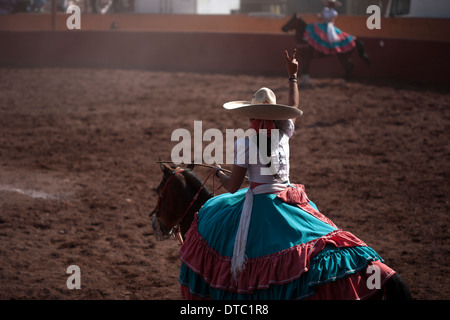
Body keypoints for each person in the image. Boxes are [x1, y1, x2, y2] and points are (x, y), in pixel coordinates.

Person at [178, 50, 394, 300]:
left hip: (261, 204)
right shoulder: (283, 134)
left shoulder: (245, 143)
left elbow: (233, 186)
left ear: (251, 114)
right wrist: (293, 76)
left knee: (221, 224)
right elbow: (293, 107)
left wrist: (218, 173)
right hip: (290, 198)